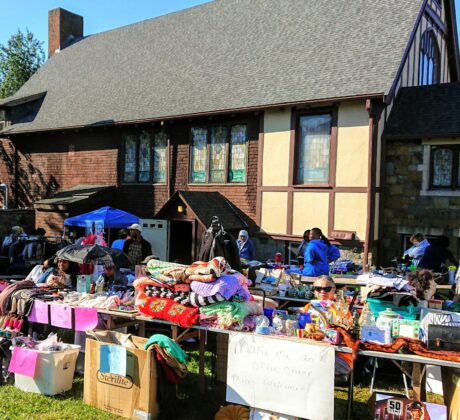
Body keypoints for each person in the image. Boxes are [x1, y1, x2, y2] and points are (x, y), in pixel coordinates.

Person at [303, 276, 352, 381]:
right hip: (314, 351)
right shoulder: (309, 307)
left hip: (338, 356)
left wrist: (322, 335)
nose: (322, 291)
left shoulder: (340, 309)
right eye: (318, 288)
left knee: (306, 364)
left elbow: (346, 337)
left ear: (334, 289)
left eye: (326, 289)